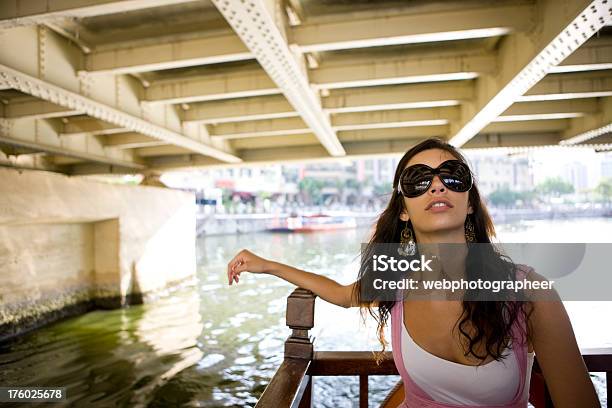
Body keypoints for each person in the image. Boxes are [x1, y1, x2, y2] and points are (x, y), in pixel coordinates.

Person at [226, 137, 599, 407]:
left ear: (470, 202)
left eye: (452, 175)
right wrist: (270, 265)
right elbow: (341, 294)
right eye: (418, 180)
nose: (437, 184)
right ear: (403, 209)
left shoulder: (528, 291)